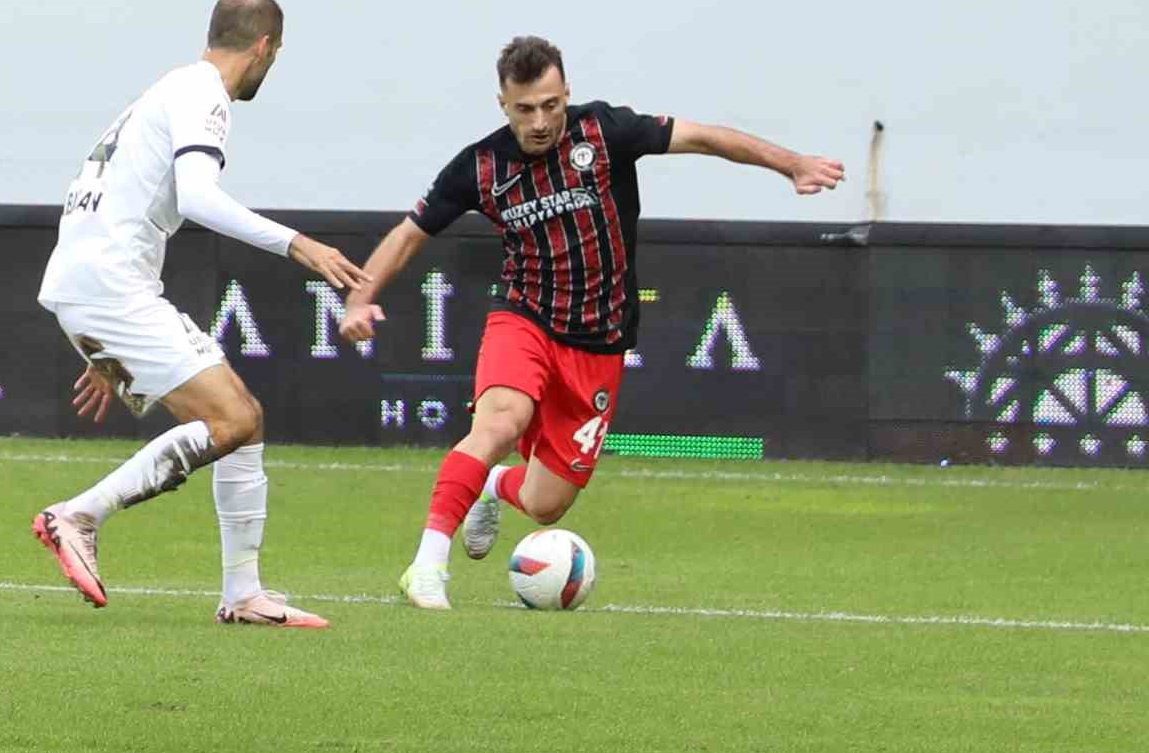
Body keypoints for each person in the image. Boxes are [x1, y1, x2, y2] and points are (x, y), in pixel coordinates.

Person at [338, 36, 847, 611]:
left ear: (567, 94)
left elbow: (705, 136)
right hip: (524, 317)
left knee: (545, 503)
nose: (539, 121)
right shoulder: (481, 166)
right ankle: (427, 566)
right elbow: (410, 233)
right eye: (525, 109)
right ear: (503, 105)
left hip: (599, 343)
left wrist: (793, 165)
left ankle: (489, 483)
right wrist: (360, 299)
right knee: (501, 422)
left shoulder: (605, 133)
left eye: (550, 105)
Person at [32, 0, 365, 628]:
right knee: (234, 419)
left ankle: (244, 594)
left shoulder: (165, 90)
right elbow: (198, 198)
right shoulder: (205, 95)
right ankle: (78, 515)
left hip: (92, 282)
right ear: (266, 47)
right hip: (109, 287)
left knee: (245, 418)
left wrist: (100, 333)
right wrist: (298, 244)